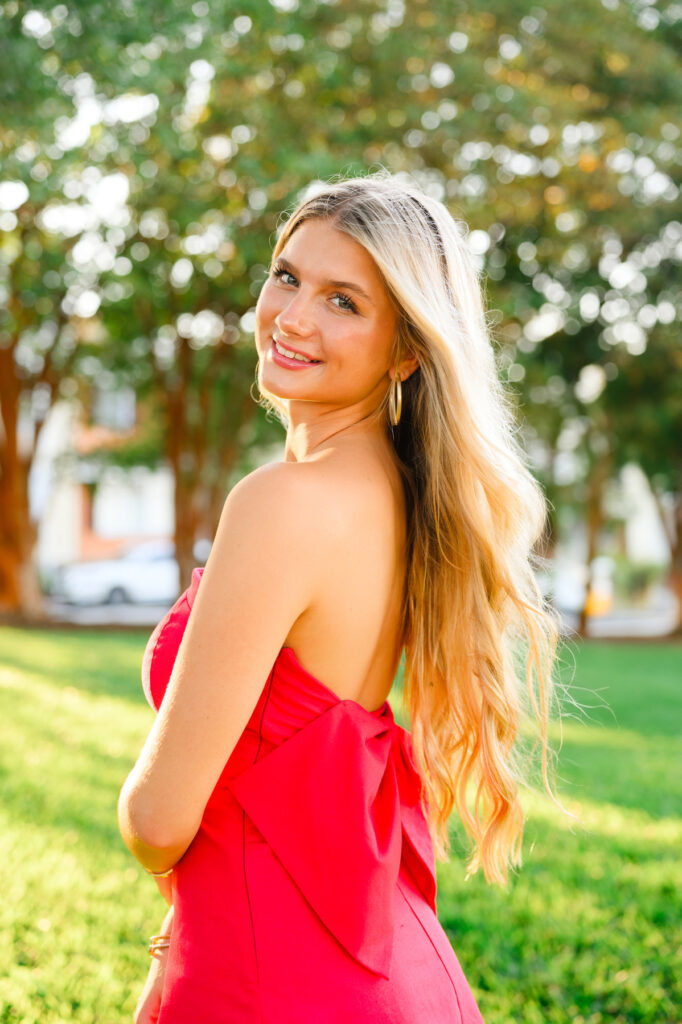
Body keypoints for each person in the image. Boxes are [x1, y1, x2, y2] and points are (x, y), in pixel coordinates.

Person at [118, 169, 560, 1023]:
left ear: (406, 349)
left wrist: (146, 818)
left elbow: (160, 819)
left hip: (276, 976)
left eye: (344, 301)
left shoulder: (282, 502)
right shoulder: (404, 496)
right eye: (288, 276)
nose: (292, 317)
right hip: (393, 963)